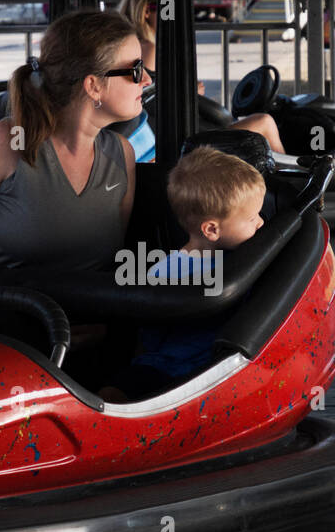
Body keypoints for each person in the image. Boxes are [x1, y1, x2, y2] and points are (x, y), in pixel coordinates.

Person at [0, 9, 144, 272]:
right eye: (135, 70)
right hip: (4, 308)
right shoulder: (7, 143)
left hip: (88, 312)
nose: (146, 80)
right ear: (93, 86)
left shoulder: (122, 155)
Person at [99, 146, 266, 402]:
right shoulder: (163, 273)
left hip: (217, 368)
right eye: (252, 218)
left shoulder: (243, 258)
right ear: (211, 229)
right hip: (165, 367)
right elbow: (148, 334)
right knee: (114, 394)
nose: (261, 222)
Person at [113, 0, 288, 160]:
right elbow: (155, 102)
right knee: (264, 122)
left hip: (184, 137)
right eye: (168, 9)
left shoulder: (134, 48)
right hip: (187, 143)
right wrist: (187, 95)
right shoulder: (149, 50)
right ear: (147, 12)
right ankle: (294, 178)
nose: (173, 16)